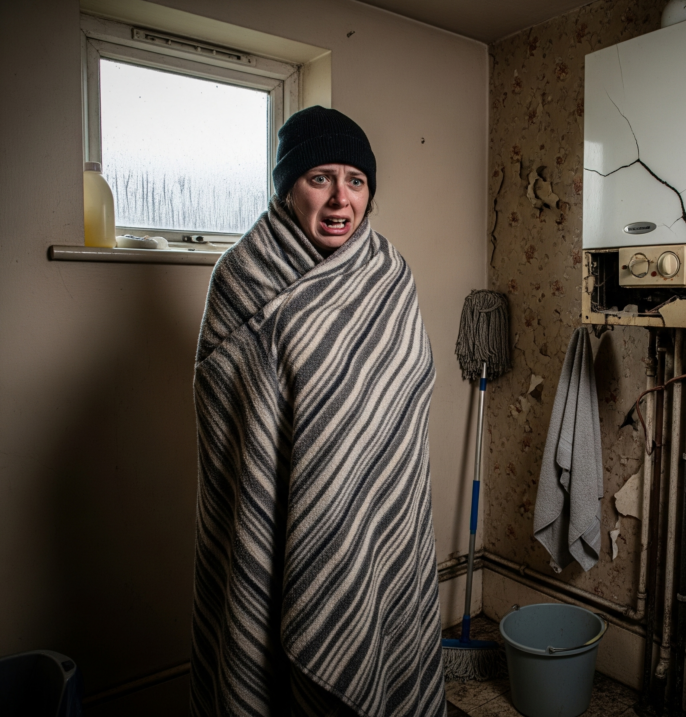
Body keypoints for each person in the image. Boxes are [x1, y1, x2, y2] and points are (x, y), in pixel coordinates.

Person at [189, 106, 445, 716]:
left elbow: (403, 396)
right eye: (320, 178)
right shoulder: (241, 276)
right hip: (274, 514)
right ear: (288, 187)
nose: (340, 200)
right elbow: (228, 409)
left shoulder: (389, 275)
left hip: (375, 517)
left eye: (355, 181)